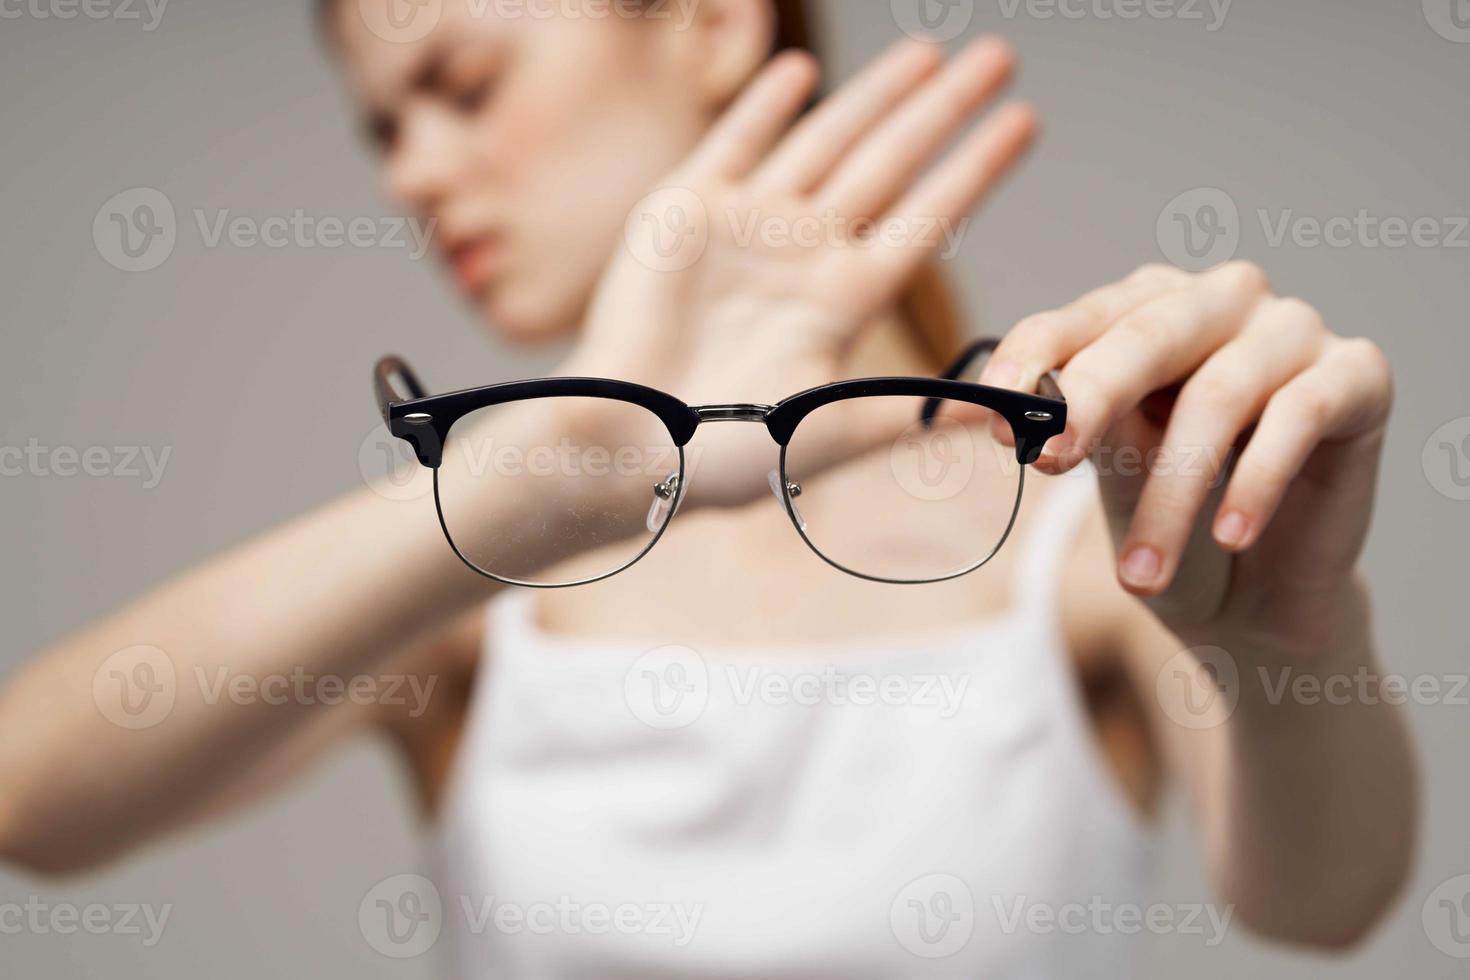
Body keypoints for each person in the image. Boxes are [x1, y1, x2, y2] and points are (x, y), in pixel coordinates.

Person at [0, 1, 1417, 975]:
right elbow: (30, 799)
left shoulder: (1073, 545)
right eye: (380, 130)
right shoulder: (474, 579)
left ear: (710, 22)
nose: (411, 174)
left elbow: (1323, 902)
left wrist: (1291, 644)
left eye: (460, 85)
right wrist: (536, 486)